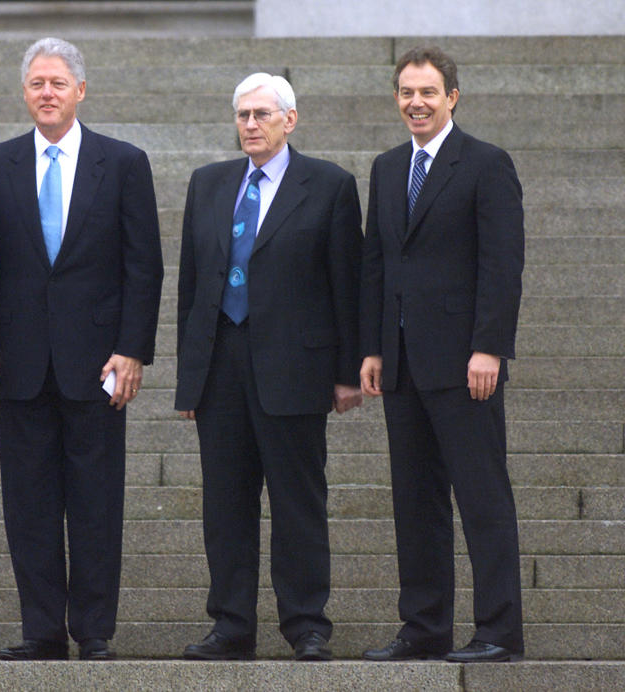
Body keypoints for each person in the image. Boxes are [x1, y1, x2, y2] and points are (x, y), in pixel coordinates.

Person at [0, 37, 164, 661]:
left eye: (57, 83)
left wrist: (132, 349)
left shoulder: (123, 162)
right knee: (28, 504)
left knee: (96, 502)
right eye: (36, 84)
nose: (46, 93)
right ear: (24, 94)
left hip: (99, 364)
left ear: (81, 90)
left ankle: (95, 631)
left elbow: (145, 266)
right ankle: (43, 630)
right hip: (18, 363)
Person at [174, 73, 364, 661]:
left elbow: (347, 283)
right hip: (221, 364)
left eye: (261, 114)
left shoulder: (329, 185)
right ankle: (231, 624)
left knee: (296, 500)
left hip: (294, 368)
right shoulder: (208, 184)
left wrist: (347, 371)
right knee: (225, 503)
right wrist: (191, 375)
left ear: (290, 119)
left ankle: (306, 623)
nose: (250, 125)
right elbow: (191, 285)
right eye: (242, 115)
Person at [359, 46, 525, 663]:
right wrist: (372, 347)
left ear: (451, 97)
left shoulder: (485, 164)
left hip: (465, 365)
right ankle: (424, 628)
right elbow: (377, 261)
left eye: (428, 92)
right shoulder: (385, 168)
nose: (416, 103)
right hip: (401, 365)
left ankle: (499, 633)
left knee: (482, 498)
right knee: (415, 501)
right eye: (406, 92)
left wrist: (489, 347)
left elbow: (501, 264)